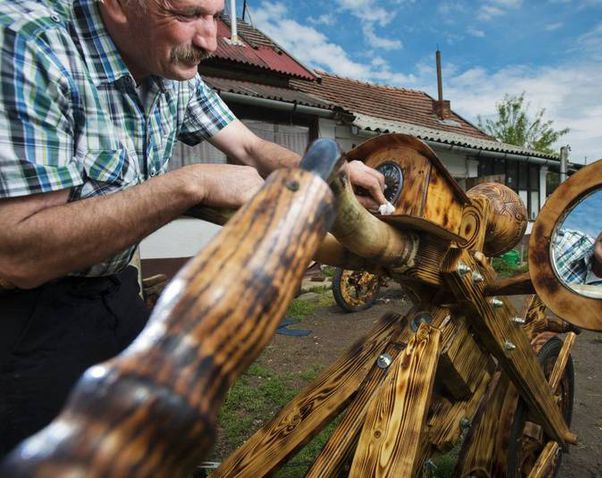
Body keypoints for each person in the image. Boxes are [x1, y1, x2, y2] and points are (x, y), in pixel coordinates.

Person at [0, 0, 387, 456]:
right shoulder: (32, 44)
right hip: (24, 312)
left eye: (216, 15)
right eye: (187, 15)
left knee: (146, 444)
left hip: (113, 286)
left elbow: (248, 145)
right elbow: (17, 255)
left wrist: (336, 175)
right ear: (118, 6)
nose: (210, 39)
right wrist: (192, 184)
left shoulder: (167, 62)